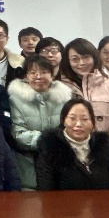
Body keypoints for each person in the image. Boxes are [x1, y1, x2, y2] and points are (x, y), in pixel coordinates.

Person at [59, 38, 109, 185]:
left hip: (108, 161)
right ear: (68, 61)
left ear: (95, 57)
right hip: (72, 164)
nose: (81, 63)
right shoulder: (60, 88)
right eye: (75, 59)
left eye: (86, 57)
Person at [8, 56, 75, 190]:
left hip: (61, 163)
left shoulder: (64, 99)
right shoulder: (15, 100)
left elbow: (71, 129)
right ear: (26, 76)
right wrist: (49, 140)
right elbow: (17, 133)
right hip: (27, 165)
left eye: (44, 72)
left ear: (52, 74)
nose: (38, 76)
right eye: (33, 73)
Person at [36, 99, 109, 191]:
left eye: (84, 119)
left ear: (92, 122)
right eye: (72, 118)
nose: (78, 124)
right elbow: (46, 190)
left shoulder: (104, 147)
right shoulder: (51, 148)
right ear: (63, 120)